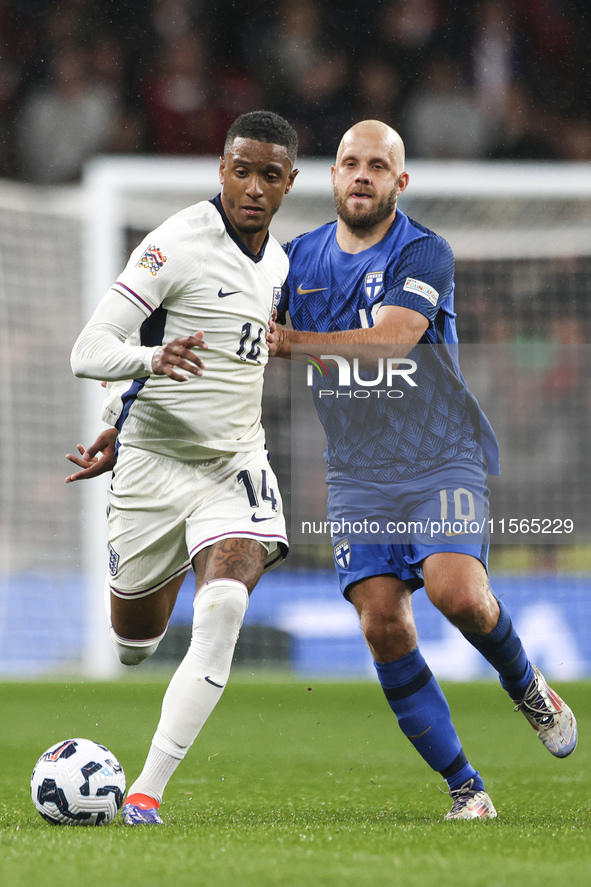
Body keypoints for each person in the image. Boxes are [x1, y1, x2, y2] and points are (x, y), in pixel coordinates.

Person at [267, 119, 577, 820]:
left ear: (399, 181)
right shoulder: (295, 261)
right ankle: (466, 787)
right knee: (381, 623)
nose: (362, 174)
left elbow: (392, 341)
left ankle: (526, 684)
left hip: (442, 458)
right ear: (332, 175)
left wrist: (290, 342)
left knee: (457, 593)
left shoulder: (424, 251)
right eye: (350, 162)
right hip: (356, 475)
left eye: (378, 164)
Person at [68, 110, 298, 825]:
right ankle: (163, 571)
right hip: (149, 464)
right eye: (240, 169)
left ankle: (145, 791)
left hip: (234, 464)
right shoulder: (174, 245)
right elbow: (88, 351)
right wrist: (130, 394)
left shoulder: (280, 265)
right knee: (134, 644)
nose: (252, 186)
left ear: (288, 183)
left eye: (268, 174)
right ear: (220, 169)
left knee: (226, 601)